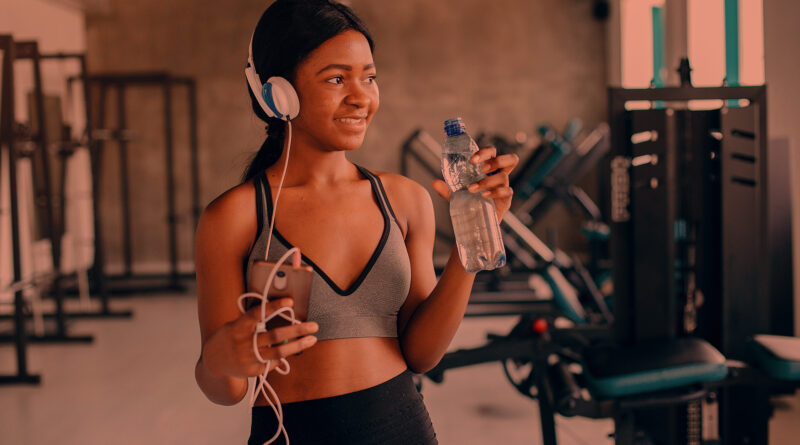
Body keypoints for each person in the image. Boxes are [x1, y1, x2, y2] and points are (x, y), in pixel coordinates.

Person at [194, 1, 519, 444]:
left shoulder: (404, 200)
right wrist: (223, 358)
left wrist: (472, 239)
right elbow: (225, 389)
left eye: (369, 77)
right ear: (279, 94)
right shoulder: (234, 217)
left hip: (403, 429)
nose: (361, 96)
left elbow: (422, 355)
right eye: (335, 78)